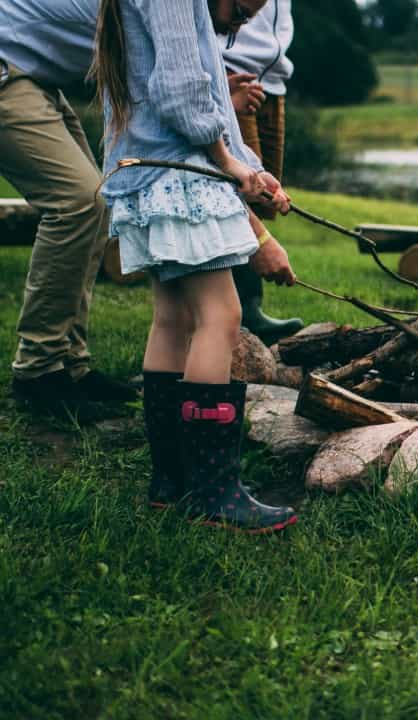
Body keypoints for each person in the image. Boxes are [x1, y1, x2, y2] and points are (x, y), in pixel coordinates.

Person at [93, 0, 298, 533]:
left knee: (174, 321)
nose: (244, 21)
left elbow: (201, 102)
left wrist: (254, 173)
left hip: (147, 171)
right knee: (221, 317)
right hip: (177, 175)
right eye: (243, 7)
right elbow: (182, 92)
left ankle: (172, 481)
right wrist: (233, 168)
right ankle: (215, 492)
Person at [0, 0, 138, 422]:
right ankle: (38, 371)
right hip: (7, 71)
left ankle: (70, 365)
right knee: (78, 202)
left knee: (97, 203)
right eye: (240, 13)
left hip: (37, 79)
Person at [222, 0, 303, 345]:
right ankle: (240, 308)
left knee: (263, 194)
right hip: (232, 70)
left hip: (274, 79)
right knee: (237, 189)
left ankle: (245, 307)